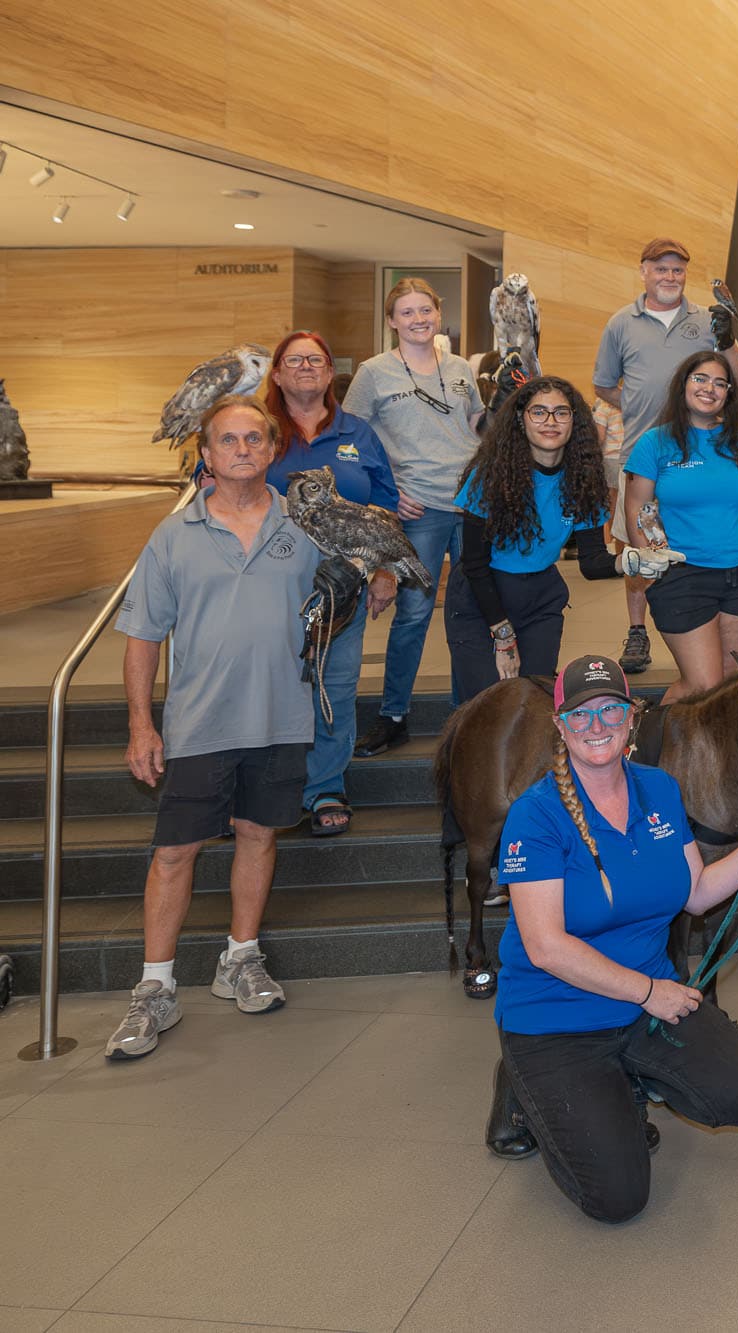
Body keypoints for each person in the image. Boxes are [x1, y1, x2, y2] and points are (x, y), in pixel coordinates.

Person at [106, 396, 394, 1060]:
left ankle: (240, 957)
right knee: (174, 852)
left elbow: (354, 578)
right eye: (228, 440)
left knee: (259, 836)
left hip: (281, 716)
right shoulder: (173, 536)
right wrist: (141, 725)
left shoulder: (306, 524)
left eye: (254, 439)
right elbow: (143, 638)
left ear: (272, 450)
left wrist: (375, 575)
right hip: (199, 723)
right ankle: (154, 988)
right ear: (205, 455)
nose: (242, 449)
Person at [482, 655, 738, 1223]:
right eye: (581, 713)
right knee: (617, 1200)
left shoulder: (659, 789)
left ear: (632, 717)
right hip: (556, 1018)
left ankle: (621, 1082)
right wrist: (648, 992)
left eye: (610, 710)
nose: (597, 725)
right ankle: (521, 1085)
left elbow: (695, 893)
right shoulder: (535, 816)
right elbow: (545, 947)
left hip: (645, 1005)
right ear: (560, 725)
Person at [260, 330, 399, 836]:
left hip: (343, 583)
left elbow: (384, 504)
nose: (306, 367)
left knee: (335, 684)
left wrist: (384, 569)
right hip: (266, 582)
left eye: (316, 360)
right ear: (276, 374)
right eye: (294, 360)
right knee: (269, 684)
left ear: (330, 372)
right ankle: (265, 789)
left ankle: (324, 786)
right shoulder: (257, 429)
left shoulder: (356, 432)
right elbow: (216, 485)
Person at [593, 238, 738, 676]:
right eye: (660, 268)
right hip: (640, 454)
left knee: (688, 544)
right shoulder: (620, 323)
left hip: (699, 459)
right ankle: (637, 629)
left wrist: (728, 340)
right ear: (643, 271)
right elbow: (603, 384)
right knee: (637, 544)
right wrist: (636, 405)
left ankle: (700, 621)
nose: (669, 276)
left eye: (677, 269)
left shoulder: (706, 320)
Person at [343, 278, 485, 756]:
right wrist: (388, 491)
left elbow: (476, 426)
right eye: (407, 312)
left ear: (438, 314)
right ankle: (394, 715)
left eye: (425, 310)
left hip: (471, 505)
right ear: (392, 321)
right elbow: (352, 442)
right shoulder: (373, 373)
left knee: (473, 612)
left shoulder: (460, 368)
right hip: (419, 507)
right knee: (415, 614)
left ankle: (470, 713)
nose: (418, 319)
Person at [445, 376, 627, 699]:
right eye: (539, 412)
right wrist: (503, 636)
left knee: (533, 701)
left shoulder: (584, 478)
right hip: (481, 599)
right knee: (488, 704)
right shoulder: (491, 475)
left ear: (575, 420)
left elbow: (593, 562)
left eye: (561, 412)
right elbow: (474, 562)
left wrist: (632, 561)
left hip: (540, 599)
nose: (550, 421)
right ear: (521, 419)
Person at [622, 353, 738, 701]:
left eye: (720, 383)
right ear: (683, 384)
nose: (710, 388)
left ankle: (710, 741)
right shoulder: (655, 442)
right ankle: (651, 731)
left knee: (728, 682)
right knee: (702, 684)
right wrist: (652, 561)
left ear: (729, 393)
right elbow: (636, 507)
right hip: (682, 575)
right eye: (701, 379)